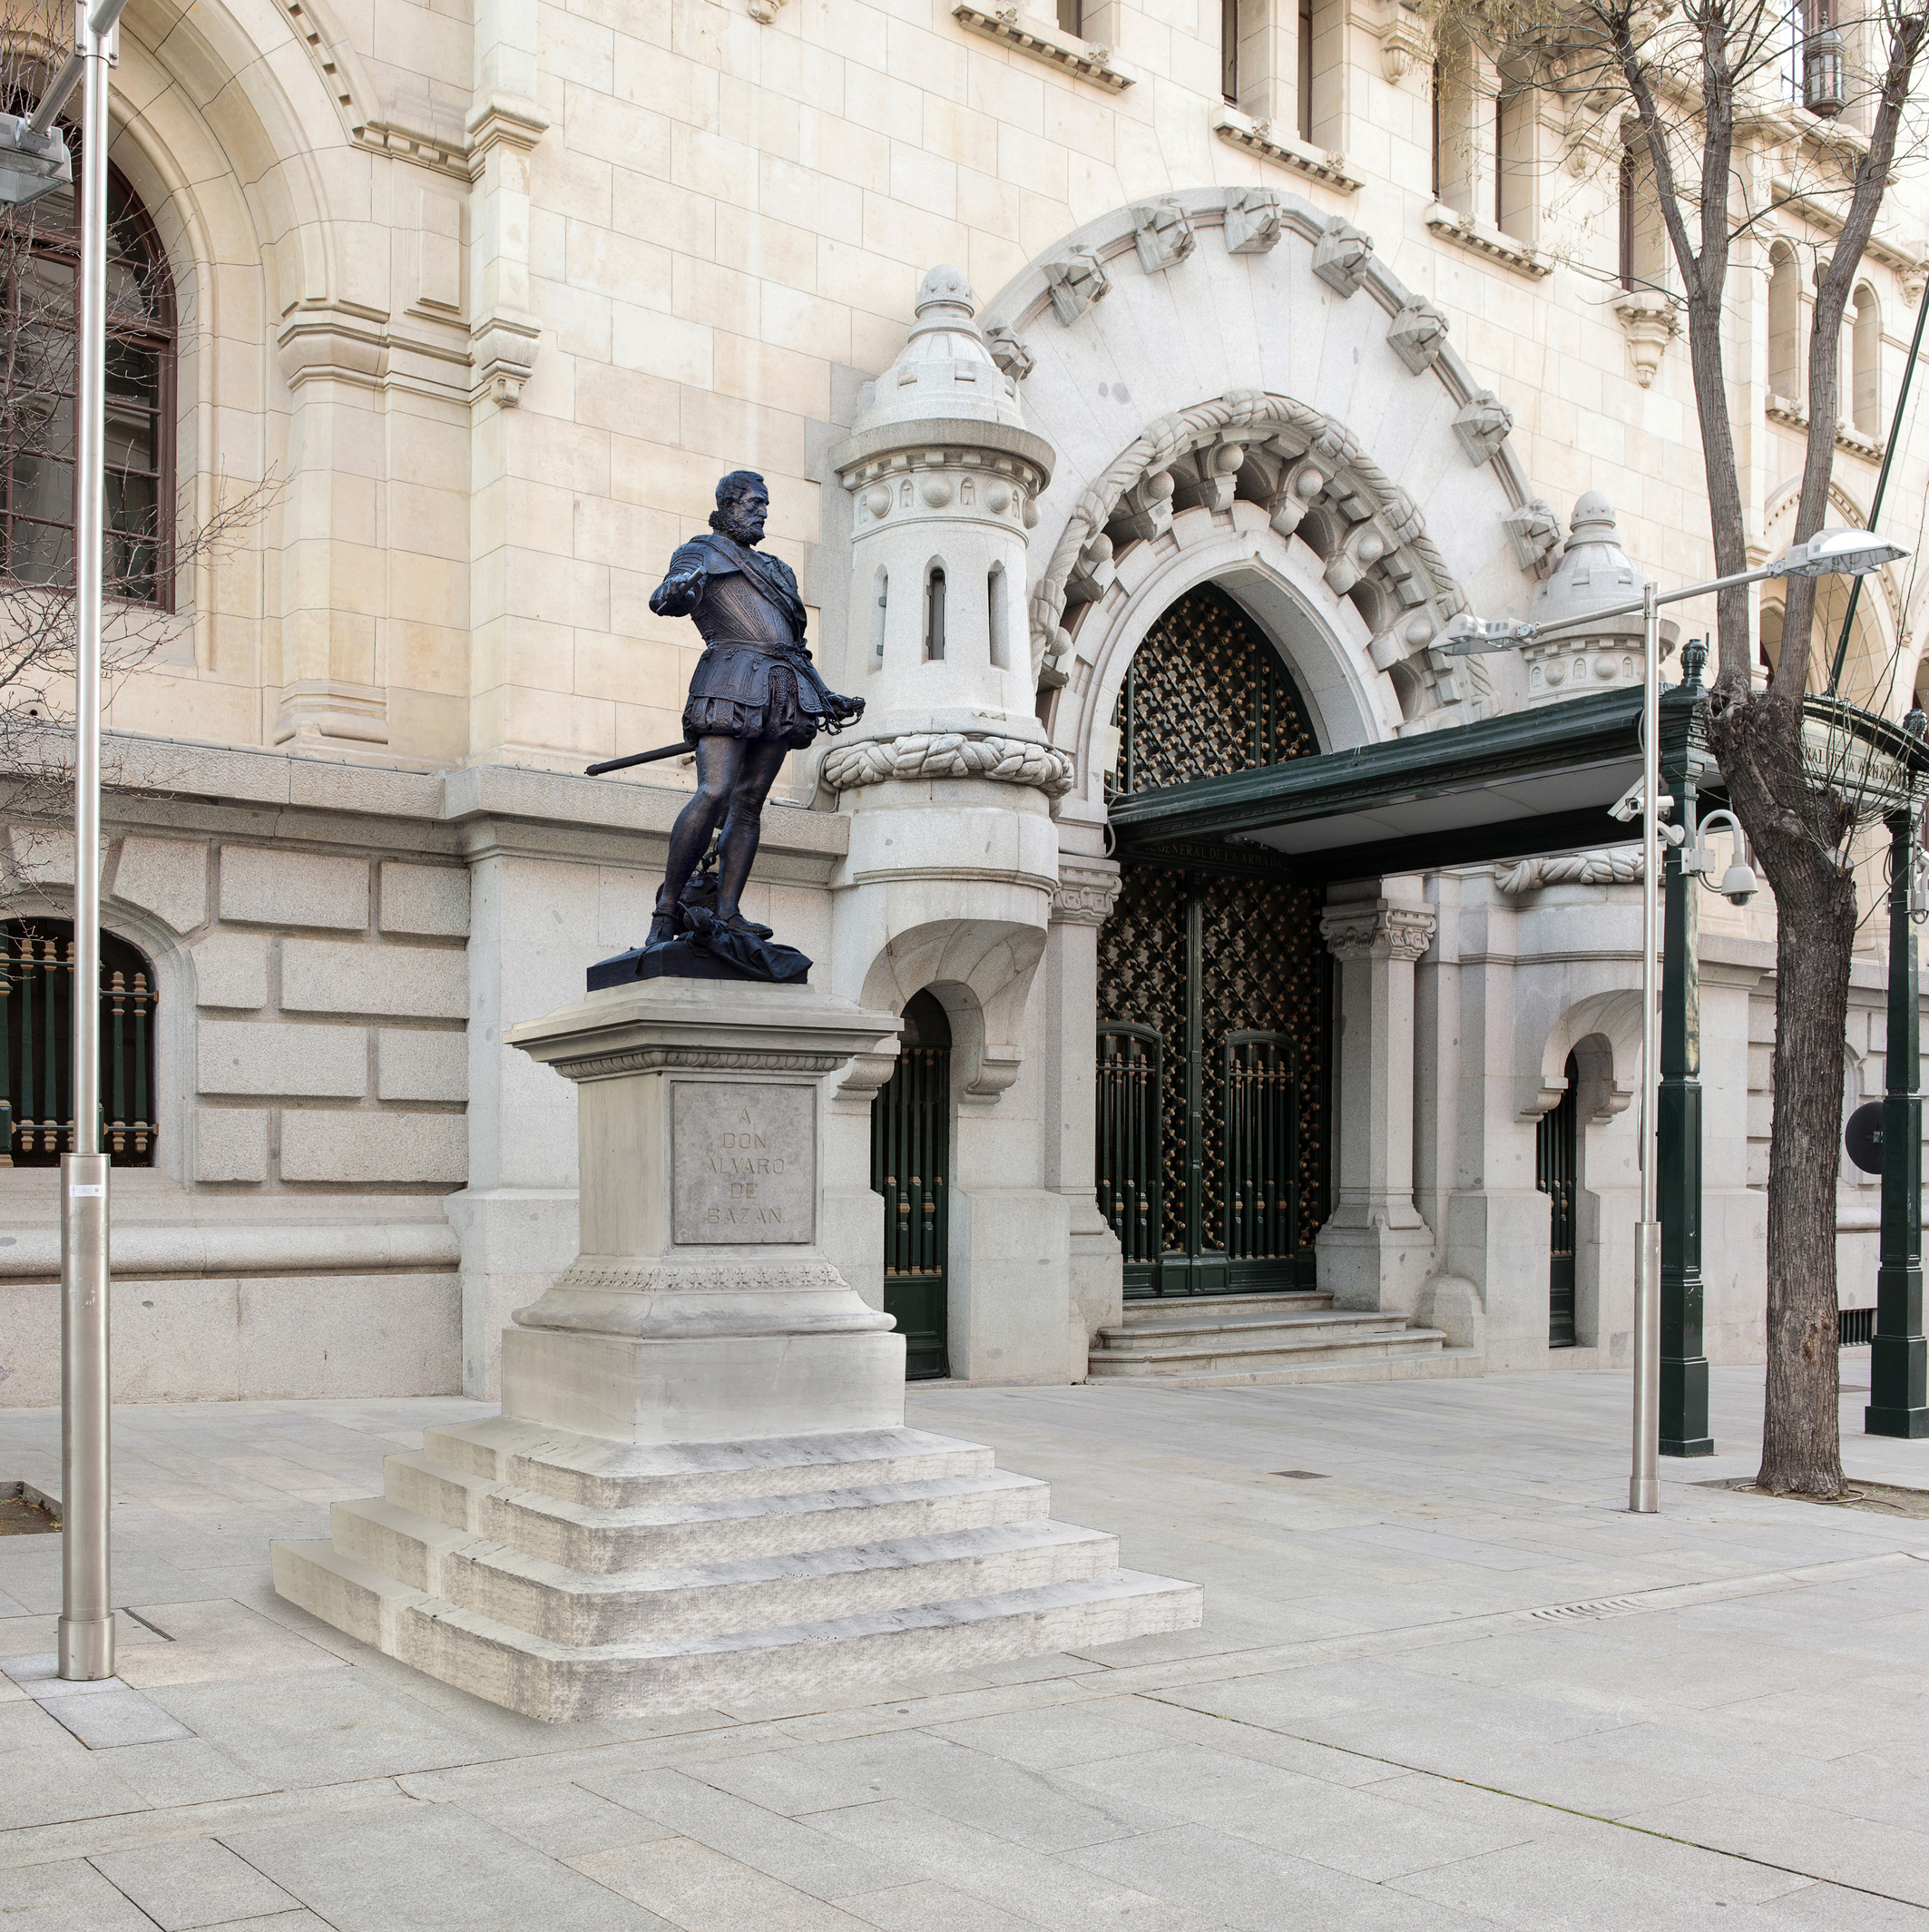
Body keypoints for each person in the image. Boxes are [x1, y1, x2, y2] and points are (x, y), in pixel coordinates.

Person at [646, 470, 861, 946]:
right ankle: (666, 909)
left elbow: (794, 646)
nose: (763, 511)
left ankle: (728, 911)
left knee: (749, 804)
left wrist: (824, 694)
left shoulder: (778, 569)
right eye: (754, 502)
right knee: (714, 791)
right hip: (729, 678)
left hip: (783, 688)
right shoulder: (700, 552)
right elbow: (669, 597)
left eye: (765, 504)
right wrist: (676, 592)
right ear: (728, 504)